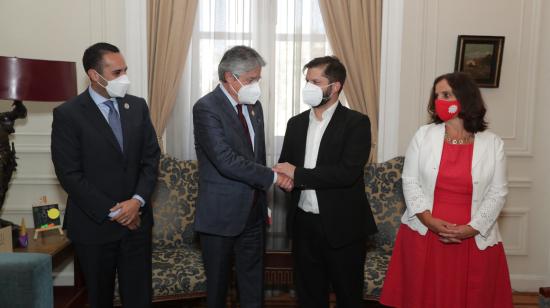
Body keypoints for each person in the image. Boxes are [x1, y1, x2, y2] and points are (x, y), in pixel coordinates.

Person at [379, 72, 513, 308]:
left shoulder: (493, 144)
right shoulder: (424, 135)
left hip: (474, 238)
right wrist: (428, 220)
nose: (439, 100)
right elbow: (409, 181)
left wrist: (471, 228)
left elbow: (498, 192)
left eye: (446, 94)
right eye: (437, 95)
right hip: (425, 234)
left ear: (465, 98)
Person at [51, 42, 160, 308]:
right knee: (99, 299)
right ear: (94, 75)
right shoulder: (68, 114)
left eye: (125, 70)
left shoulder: (137, 106)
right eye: (116, 72)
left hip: (137, 223)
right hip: (94, 227)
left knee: (139, 298)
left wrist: (136, 202)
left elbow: (151, 159)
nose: (124, 78)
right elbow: (69, 174)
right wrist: (115, 212)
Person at [192, 45, 293, 308]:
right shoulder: (206, 108)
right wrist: (271, 177)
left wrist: (263, 199)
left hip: (253, 214)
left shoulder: (254, 106)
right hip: (219, 216)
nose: (256, 85)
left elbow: (255, 157)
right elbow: (225, 160)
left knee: (253, 286)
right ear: (230, 77)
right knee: (217, 288)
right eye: (251, 80)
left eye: (257, 79)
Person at [274, 56, 377, 308]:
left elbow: (346, 173)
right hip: (303, 225)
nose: (309, 87)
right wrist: (285, 180)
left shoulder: (357, 123)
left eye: (316, 82)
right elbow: (285, 167)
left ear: (335, 86)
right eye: (307, 81)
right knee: (309, 297)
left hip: (344, 228)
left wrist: (296, 174)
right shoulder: (295, 123)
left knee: (348, 296)